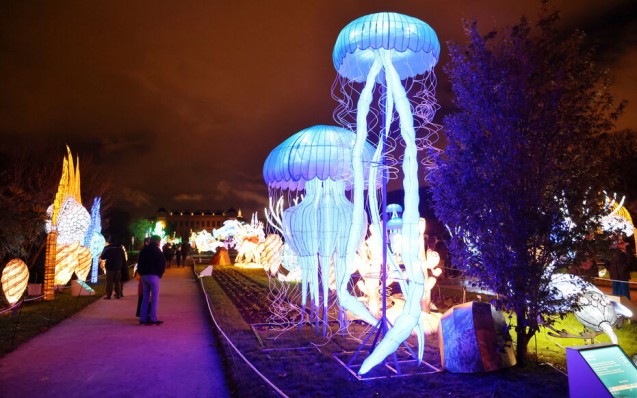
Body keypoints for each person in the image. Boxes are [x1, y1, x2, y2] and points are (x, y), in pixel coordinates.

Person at [137, 235, 165, 325]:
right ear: (157, 241)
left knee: (145, 298)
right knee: (154, 298)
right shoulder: (158, 251)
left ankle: (143, 318)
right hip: (154, 276)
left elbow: (139, 263)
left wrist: (141, 273)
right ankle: (153, 318)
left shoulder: (143, 250)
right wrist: (159, 274)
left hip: (144, 276)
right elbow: (162, 264)